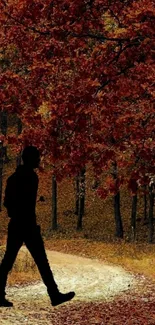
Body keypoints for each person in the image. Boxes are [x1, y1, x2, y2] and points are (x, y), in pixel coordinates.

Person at [0, 145, 75, 307]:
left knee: (8, 261)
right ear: (30, 159)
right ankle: (54, 295)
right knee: (41, 261)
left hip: (17, 224)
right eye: (37, 157)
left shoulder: (12, 178)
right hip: (28, 225)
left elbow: (7, 203)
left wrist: (15, 212)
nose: (39, 160)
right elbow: (26, 204)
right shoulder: (32, 178)